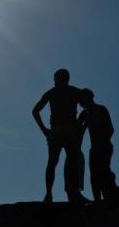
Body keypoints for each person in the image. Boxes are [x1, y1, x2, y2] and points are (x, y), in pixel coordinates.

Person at [32, 69, 87, 203]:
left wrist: (80, 122)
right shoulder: (62, 92)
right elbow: (35, 111)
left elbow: (35, 111)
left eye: (56, 79)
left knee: (64, 161)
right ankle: (52, 193)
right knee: (57, 162)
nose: (55, 82)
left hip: (62, 131)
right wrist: (44, 130)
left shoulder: (59, 92)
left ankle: (68, 193)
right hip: (61, 131)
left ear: (62, 79)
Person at [78, 88, 116, 201]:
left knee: (104, 173)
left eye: (82, 100)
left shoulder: (101, 109)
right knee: (94, 176)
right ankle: (97, 200)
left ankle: (109, 198)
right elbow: (79, 130)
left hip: (103, 146)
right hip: (94, 148)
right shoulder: (85, 114)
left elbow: (110, 129)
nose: (81, 103)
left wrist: (102, 142)